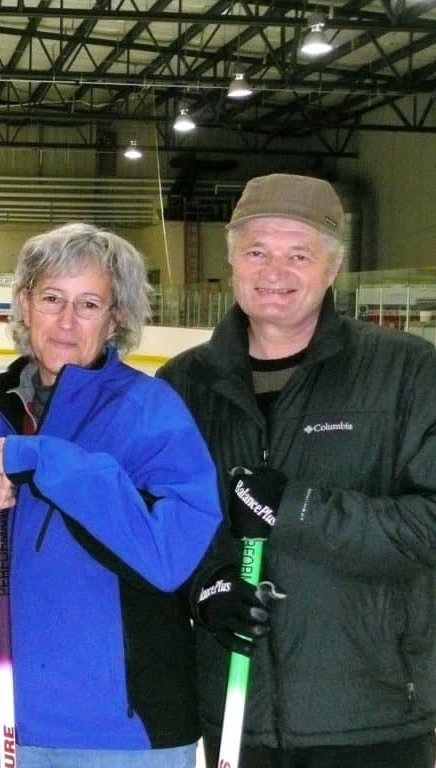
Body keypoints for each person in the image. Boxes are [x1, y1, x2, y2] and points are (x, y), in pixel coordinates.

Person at [158, 173, 436, 768]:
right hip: (239, 715)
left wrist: (297, 509)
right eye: (256, 251)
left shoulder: (408, 372)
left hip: (372, 717)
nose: (273, 271)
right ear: (232, 260)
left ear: (333, 269)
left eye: (298, 254)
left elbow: (429, 528)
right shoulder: (183, 384)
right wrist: (204, 592)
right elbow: (161, 525)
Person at [0, 222, 222, 767]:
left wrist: (45, 458)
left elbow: (167, 557)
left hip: (125, 730)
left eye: (89, 304)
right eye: (51, 298)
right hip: (8, 712)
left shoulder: (150, 410)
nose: (66, 322)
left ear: (115, 317)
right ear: (24, 304)